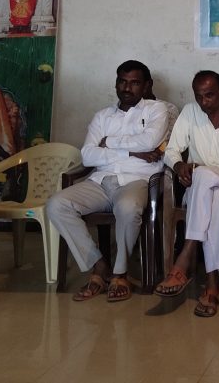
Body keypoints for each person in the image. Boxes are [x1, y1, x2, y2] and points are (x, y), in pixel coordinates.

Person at [45, 61, 167, 303]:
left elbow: (149, 142)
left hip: (136, 179)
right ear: (116, 83)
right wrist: (131, 152)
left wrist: (109, 142)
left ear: (146, 86)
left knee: (128, 208)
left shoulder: (157, 110)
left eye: (134, 83)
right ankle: (99, 265)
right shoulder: (102, 116)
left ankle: (120, 274)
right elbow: (87, 155)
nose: (127, 88)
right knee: (56, 204)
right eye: (122, 81)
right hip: (100, 181)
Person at [155, 71, 219, 318]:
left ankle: (185, 256)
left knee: (205, 175)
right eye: (198, 96)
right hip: (202, 191)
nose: (203, 102)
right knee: (214, 197)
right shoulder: (190, 112)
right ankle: (212, 287)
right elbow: (171, 150)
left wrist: (203, 170)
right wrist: (179, 165)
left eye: (209, 95)